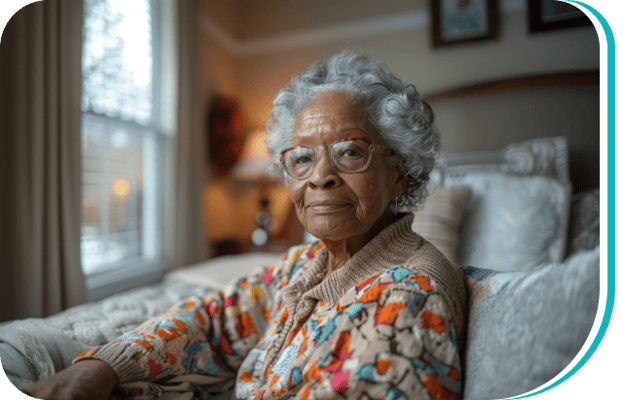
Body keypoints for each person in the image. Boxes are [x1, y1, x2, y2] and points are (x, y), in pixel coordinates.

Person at [22, 51, 467, 400]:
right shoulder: (306, 265)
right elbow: (214, 320)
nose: (319, 175)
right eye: (303, 157)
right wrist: (99, 368)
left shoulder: (411, 298)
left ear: (398, 174)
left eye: (351, 152)